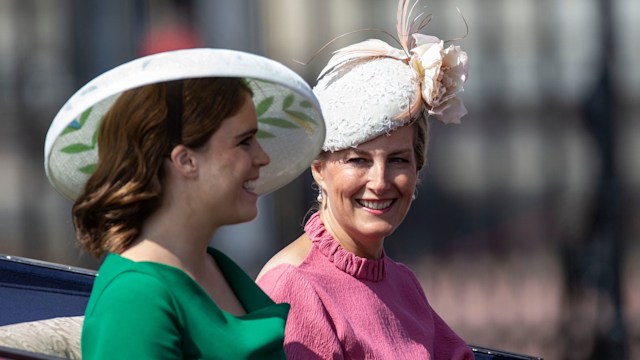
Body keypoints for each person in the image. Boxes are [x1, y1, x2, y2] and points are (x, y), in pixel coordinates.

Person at [43, 49, 325, 359]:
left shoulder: (217, 266)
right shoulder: (135, 298)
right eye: (244, 141)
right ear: (185, 160)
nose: (263, 157)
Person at [256, 1, 474, 358]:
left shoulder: (402, 284)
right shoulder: (294, 287)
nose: (380, 181)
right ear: (318, 166)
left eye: (398, 160)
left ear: (418, 168)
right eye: (358, 160)